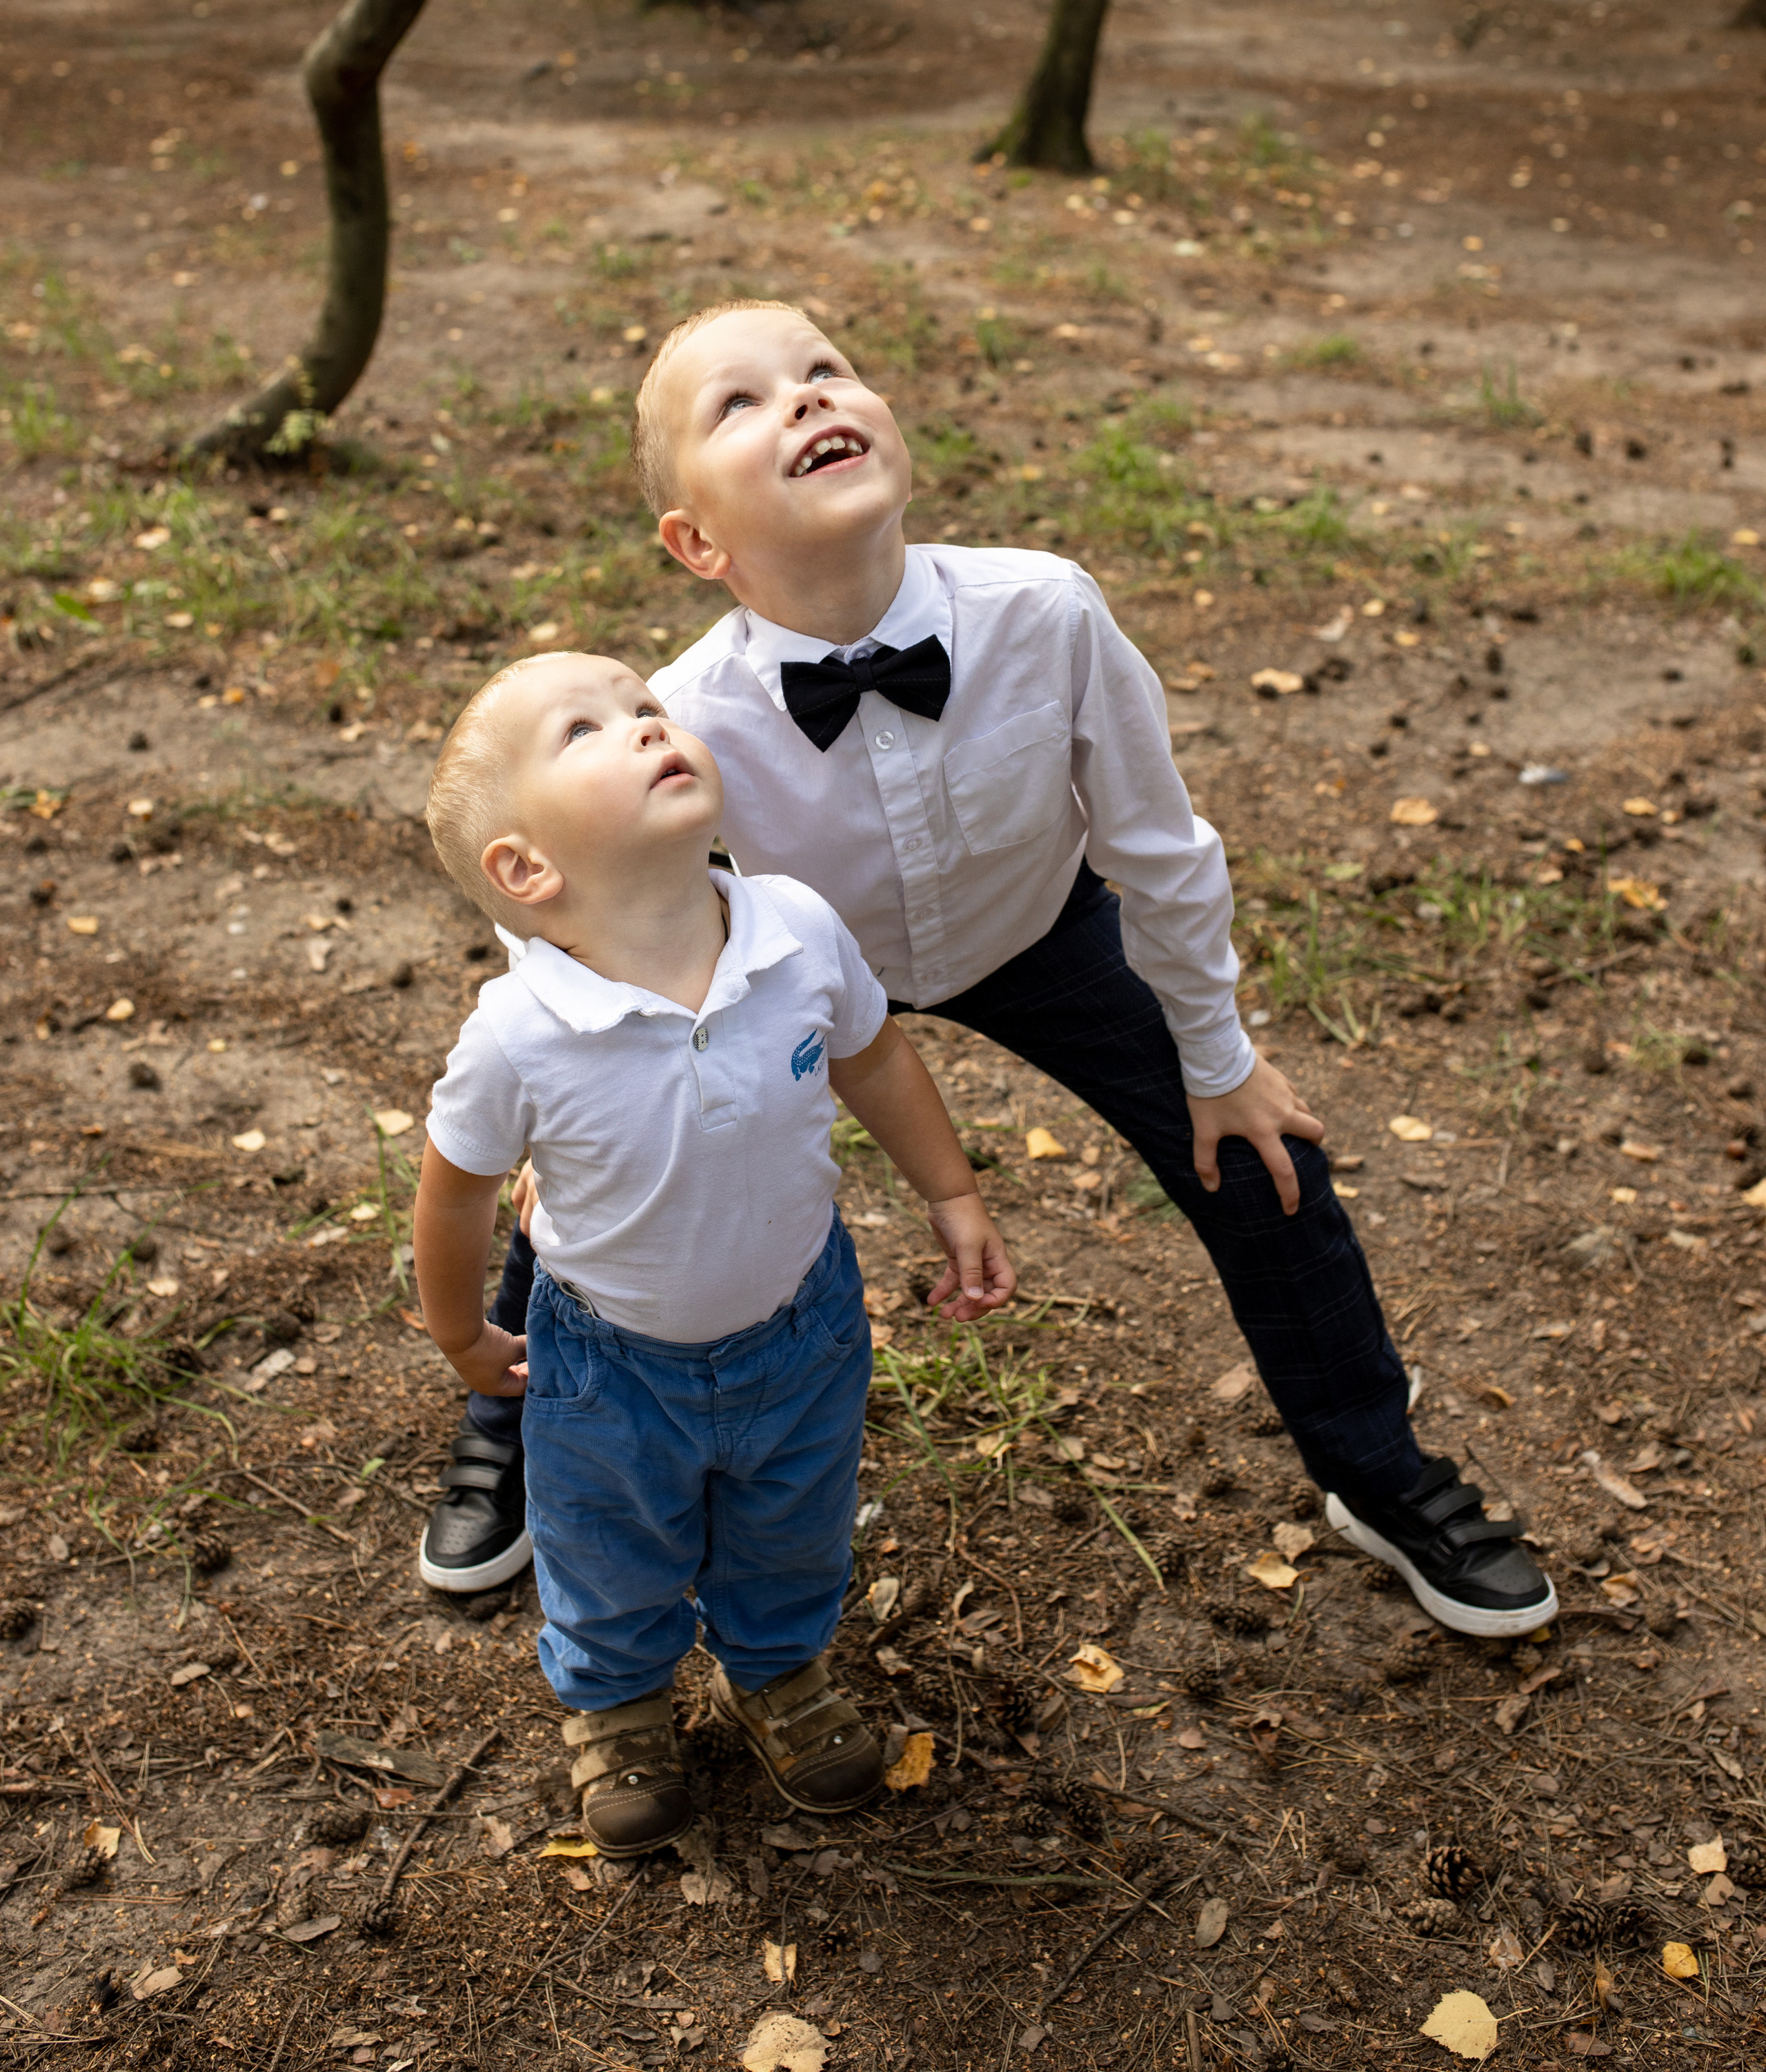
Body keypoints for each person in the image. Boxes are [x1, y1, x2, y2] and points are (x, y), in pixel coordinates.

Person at [423, 299, 1556, 1643]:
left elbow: (1157, 847)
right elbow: (576, 885)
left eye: (825, 369)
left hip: (1037, 931)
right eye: (740, 403)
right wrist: (582, 1071)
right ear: (697, 543)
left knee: (1261, 1161)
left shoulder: (1043, 609)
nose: (804, 397)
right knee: (599, 1181)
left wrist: (1218, 1056)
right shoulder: (679, 712)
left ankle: (1377, 1470)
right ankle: (510, 1426)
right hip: (791, 962)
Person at [415, 648, 1015, 1854]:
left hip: (801, 1325)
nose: (647, 723)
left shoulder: (793, 927)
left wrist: (952, 1192)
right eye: (585, 730)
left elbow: (873, 1058)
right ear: (526, 868)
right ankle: (620, 1700)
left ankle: (779, 1672)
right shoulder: (521, 1034)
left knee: (795, 1520)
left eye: (645, 704)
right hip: (610, 1361)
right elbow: (457, 1191)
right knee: (606, 1539)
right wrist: (462, 1330)